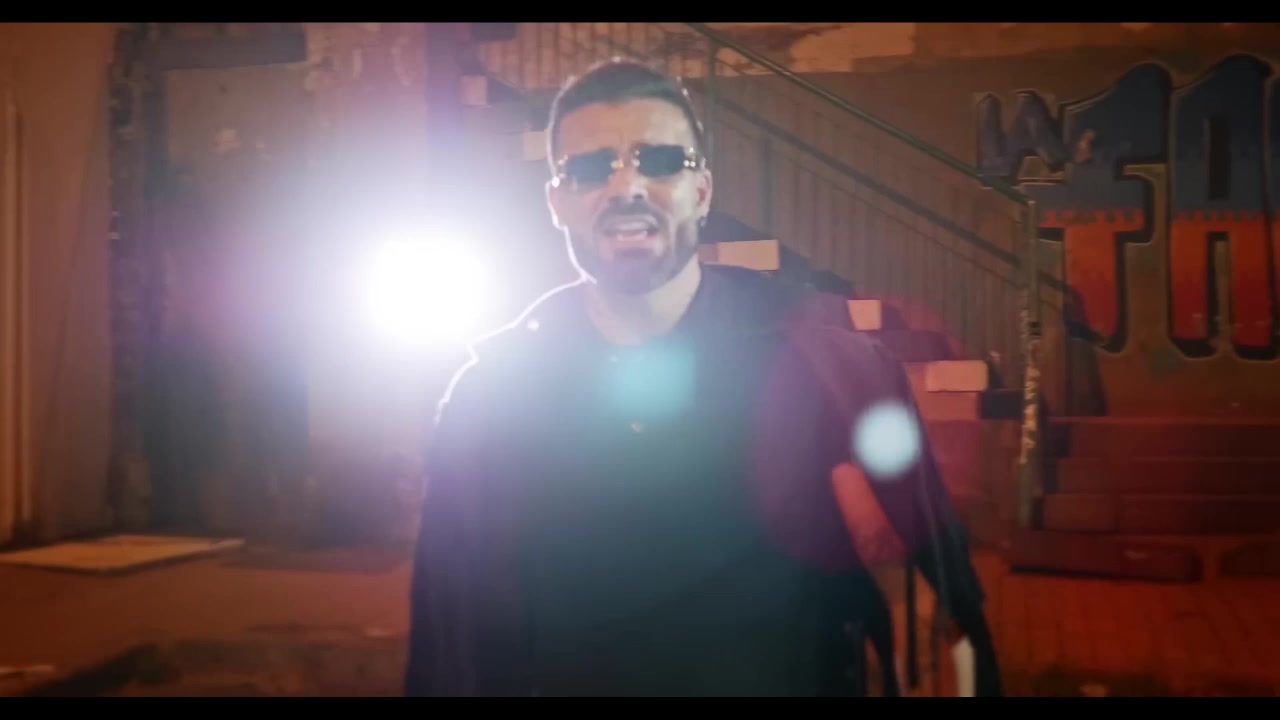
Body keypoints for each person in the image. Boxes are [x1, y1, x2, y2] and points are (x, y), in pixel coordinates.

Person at [404, 59, 1000, 697]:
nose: (627, 185)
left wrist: (901, 588)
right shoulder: (489, 400)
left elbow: (947, 609)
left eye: (661, 161)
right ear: (557, 202)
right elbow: (446, 636)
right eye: (591, 168)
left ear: (703, 191)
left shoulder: (832, 375)